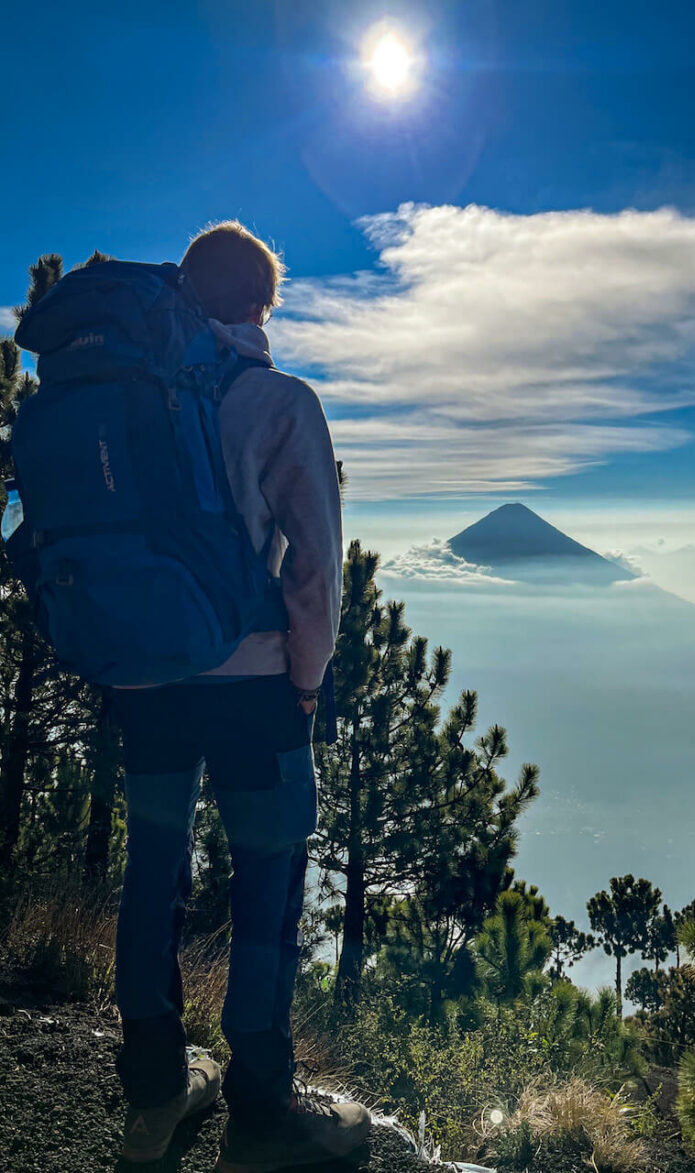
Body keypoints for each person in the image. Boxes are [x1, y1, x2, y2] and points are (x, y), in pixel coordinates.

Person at [111, 222, 370, 1170]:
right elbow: (314, 574)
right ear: (265, 305)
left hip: (145, 686)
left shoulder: (129, 403)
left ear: (183, 294)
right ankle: (261, 1107)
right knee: (268, 882)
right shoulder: (279, 401)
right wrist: (306, 684)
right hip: (255, 688)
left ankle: (153, 1091)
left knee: (153, 867)